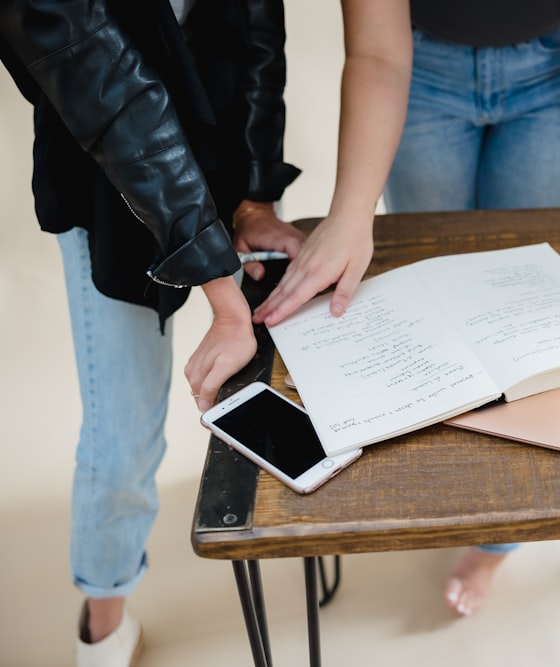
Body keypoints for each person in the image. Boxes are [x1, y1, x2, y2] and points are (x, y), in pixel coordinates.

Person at [251, 0, 560, 616]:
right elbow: (376, 50)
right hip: (416, 66)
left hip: (557, 67)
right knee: (432, 312)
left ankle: (497, 542)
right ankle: (451, 494)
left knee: (526, 322)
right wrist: (350, 212)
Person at [0, 1, 303, 664]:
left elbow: (256, 23)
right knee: (123, 443)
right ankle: (103, 621)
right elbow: (109, 94)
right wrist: (223, 293)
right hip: (104, 180)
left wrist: (254, 196)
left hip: (219, 148)